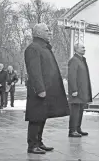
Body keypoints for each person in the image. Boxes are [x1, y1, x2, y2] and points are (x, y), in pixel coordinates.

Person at [24, 23, 70, 154]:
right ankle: (32, 145)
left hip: (47, 89)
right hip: (39, 91)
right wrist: (40, 89)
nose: (50, 32)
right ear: (38, 33)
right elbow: (34, 71)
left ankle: (39, 142)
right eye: (47, 30)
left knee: (42, 116)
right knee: (36, 117)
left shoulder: (44, 48)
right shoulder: (33, 48)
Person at [67, 43, 92, 137]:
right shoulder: (74, 60)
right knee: (74, 111)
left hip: (82, 92)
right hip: (76, 92)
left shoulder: (81, 60)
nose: (84, 49)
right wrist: (74, 90)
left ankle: (78, 129)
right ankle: (72, 130)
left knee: (80, 111)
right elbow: (71, 76)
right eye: (82, 47)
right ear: (76, 49)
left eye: (84, 47)